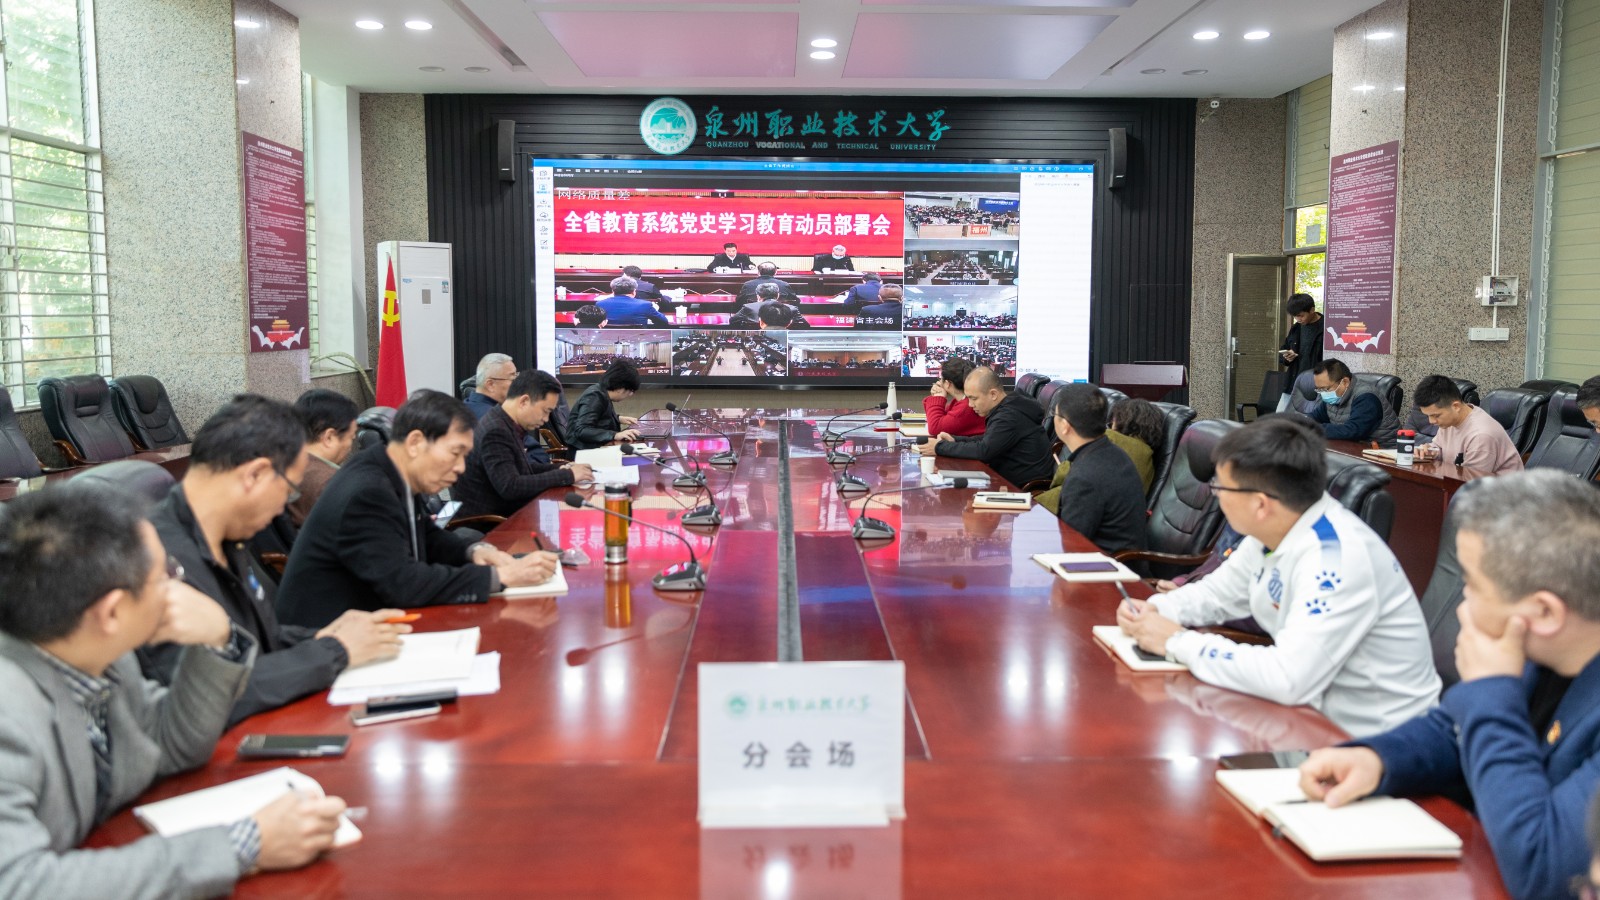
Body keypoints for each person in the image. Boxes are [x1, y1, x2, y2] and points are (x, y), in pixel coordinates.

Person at [0, 485, 349, 897]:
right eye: (165, 576)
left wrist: (218, 641)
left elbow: (169, 745)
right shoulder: (9, 711)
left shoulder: (102, 655)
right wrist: (243, 845)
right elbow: (20, 884)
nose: (177, 587)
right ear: (112, 612)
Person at [1298, 470, 1600, 900]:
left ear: (1545, 613)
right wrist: (1378, 759)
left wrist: (1491, 690)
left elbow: (1543, 869)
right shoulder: (1545, 649)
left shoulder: (1520, 661)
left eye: (1472, 585)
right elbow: (1453, 731)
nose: (1461, 605)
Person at [1117, 417, 1439, 738]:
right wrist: (1158, 609)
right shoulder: (1274, 529)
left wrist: (1177, 641)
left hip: (1379, 741)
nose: (1215, 495)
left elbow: (1288, 678)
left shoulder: (1337, 560)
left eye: (1220, 486)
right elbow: (1217, 594)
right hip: (1308, 719)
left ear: (1260, 504)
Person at [141, 394, 409, 727]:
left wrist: (323, 637)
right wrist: (334, 650)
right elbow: (205, 696)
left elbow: (258, 639)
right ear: (255, 475)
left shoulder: (228, 537)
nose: (285, 506)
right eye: (289, 490)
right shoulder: (154, 563)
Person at [276, 390, 560, 628]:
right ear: (415, 443)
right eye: (455, 453)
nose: (461, 467)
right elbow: (404, 584)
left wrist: (475, 551)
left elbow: (426, 533)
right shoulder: (368, 491)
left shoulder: (389, 469)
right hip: (328, 639)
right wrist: (500, 577)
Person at [454, 370, 594, 519]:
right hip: (491, 523)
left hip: (510, 513)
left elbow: (522, 468)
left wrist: (561, 467)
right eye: (545, 411)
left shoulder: (504, 421)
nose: (546, 419)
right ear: (524, 401)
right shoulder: (496, 431)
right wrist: (568, 475)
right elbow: (511, 486)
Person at [1046, 384, 1148, 555]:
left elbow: (1071, 544)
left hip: (1104, 567)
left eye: (1055, 414)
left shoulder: (1085, 477)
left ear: (1064, 425)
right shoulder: (1114, 453)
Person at [915, 366, 1055, 489]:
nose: (970, 405)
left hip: (1019, 488)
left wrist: (939, 447)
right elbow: (988, 440)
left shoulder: (1009, 416)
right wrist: (955, 440)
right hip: (1003, 479)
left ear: (993, 394)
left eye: (974, 398)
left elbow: (984, 450)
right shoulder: (1008, 407)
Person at [1035, 395, 1159, 515]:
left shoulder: (1109, 437)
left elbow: (1065, 474)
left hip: (1071, 507)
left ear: (1121, 420)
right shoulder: (1150, 461)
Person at [1412, 374, 1524, 474]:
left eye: (1436, 416)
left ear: (1456, 406)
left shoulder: (1481, 435)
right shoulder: (1449, 421)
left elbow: (1469, 482)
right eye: (1428, 416)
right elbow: (1440, 448)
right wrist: (1429, 451)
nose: (1431, 421)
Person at [287, 389, 360, 526]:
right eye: (351, 437)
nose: (350, 447)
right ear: (329, 437)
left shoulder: (280, 465)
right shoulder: (332, 483)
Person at [1309, 358, 1401, 447]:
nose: (1322, 393)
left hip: (1384, 451)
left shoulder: (1367, 397)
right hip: (1354, 448)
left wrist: (1315, 428)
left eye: (1325, 389)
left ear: (1345, 382)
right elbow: (1314, 418)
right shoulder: (1332, 398)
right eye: (1319, 389)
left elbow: (1353, 431)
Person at [567, 359, 642, 450]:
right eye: (631, 391)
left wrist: (618, 419)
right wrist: (615, 435)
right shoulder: (595, 396)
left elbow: (598, 418)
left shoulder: (602, 392)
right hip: (584, 452)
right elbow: (582, 430)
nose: (630, 395)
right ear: (621, 388)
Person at [1277, 293, 1323, 407]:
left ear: (1312, 310)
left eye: (1301, 316)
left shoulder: (1326, 328)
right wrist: (1287, 357)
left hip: (1314, 385)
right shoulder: (1296, 328)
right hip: (1292, 383)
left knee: (1307, 417)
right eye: (1295, 316)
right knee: (1281, 415)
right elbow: (1284, 349)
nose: (1298, 319)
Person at [923, 357, 984, 438]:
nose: (939, 382)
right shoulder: (962, 400)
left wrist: (937, 397)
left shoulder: (966, 407)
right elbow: (938, 418)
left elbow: (934, 428)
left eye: (941, 379)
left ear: (947, 383)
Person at [595, 276, 668, 327]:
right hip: (639, 340)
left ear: (613, 291)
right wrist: (654, 310)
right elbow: (664, 321)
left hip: (607, 339)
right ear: (634, 291)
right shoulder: (645, 305)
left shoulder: (600, 304)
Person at [464, 353, 517, 420]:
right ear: (490, 385)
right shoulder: (493, 419)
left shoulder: (461, 410)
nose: (517, 383)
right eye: (512, 379)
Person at [735, 262, 800, 305]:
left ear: (758, 272)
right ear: (775, 272)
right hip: (779, 317)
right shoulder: (784, 285)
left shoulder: (748, 285)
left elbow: (739, 301)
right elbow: (795, 300)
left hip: (753, 317)